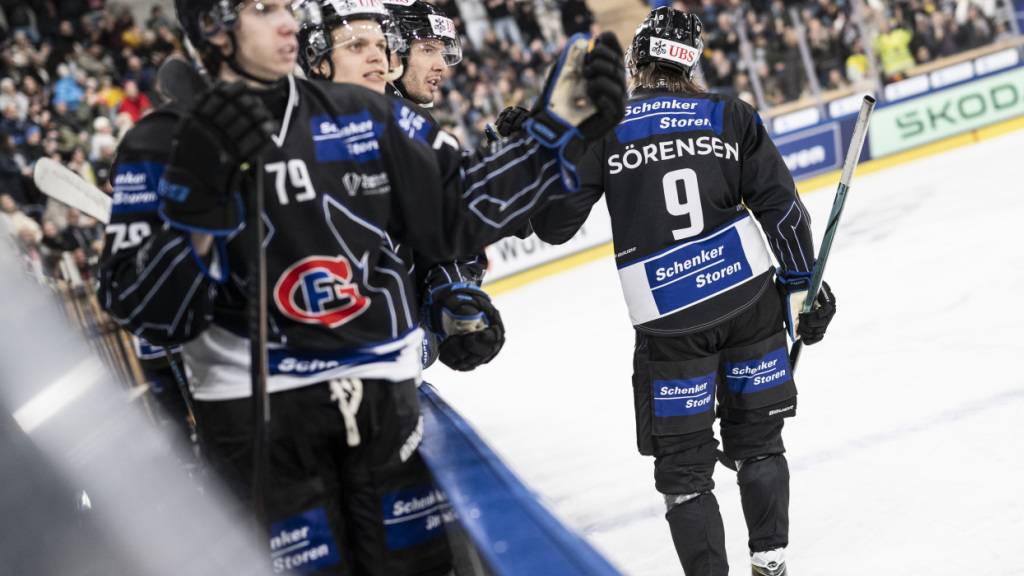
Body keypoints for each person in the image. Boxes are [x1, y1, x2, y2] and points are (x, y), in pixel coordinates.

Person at [98, 1, 626, 575]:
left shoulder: (363, 116)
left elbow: (457, 212)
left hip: (383, 416)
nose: (284, 23)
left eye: (285, 8)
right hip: (263, 437)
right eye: (262, 9)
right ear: (212, 27)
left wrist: (552, 136)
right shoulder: (161, 146)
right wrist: (197, 201)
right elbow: (142, 309)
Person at [523, 8, 835, 575]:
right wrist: (804, 287)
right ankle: (770, 561)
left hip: (671, 324)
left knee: (686, 471)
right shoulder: (730, 113)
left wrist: (552, 151)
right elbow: (783, 212)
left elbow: (554, 225)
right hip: (749, 302)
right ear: (693, 62)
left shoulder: (607, 129)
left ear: (637, 58)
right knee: (759, 439)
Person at [300, 0, 506, 372]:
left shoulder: (412, 126)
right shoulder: (295, 133)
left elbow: (443, 238)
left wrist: (453, 291)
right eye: (427, 49)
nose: (441, 65)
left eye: (380, 46)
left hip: (388, 361)